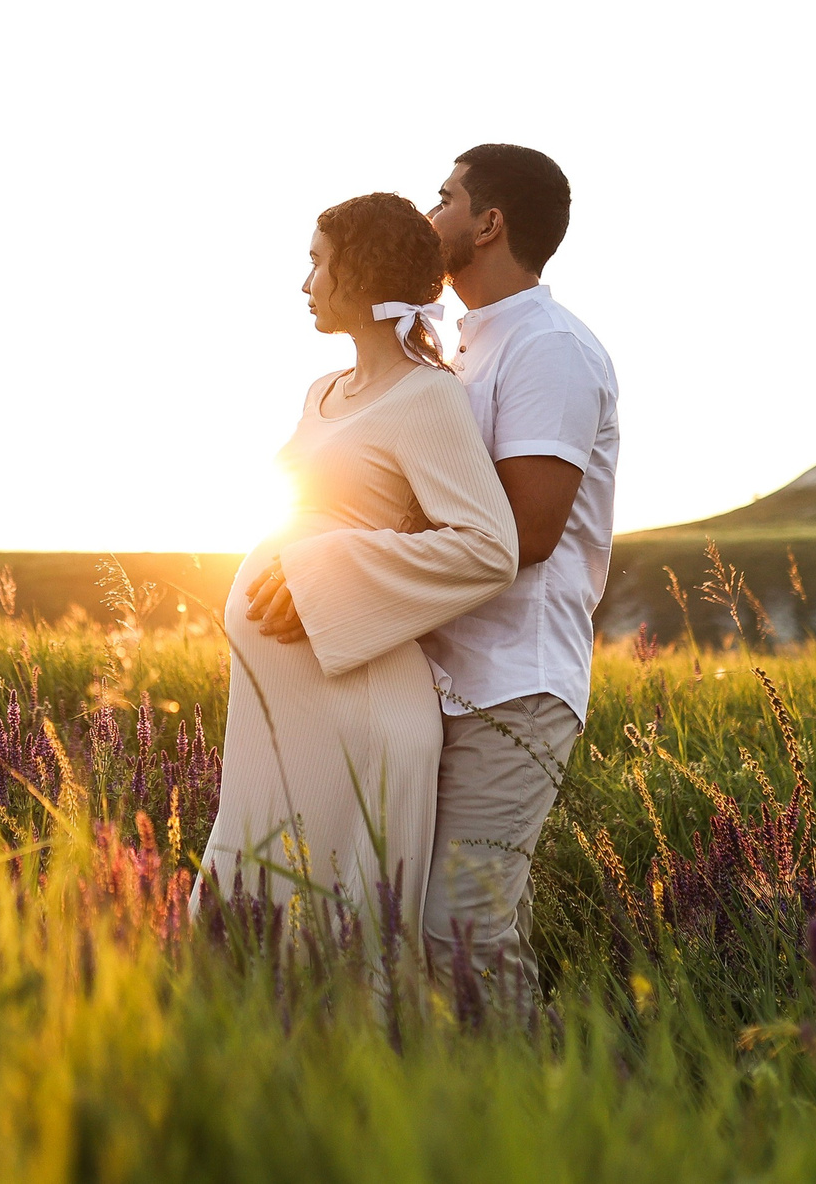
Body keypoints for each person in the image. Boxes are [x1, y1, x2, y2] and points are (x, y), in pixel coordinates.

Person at [198, 193, 520, 935]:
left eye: (316, 262)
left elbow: (488, 545)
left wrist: (328, 567)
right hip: (284, 703)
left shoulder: (429, 396)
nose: (304, 282)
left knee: (329, 925)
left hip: (360, 704)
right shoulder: (322, 394)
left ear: (361, 270)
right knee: (248, 911)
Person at [419, 143, 619, 1010]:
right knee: (472, 926)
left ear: (488, 222)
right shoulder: (469, 352)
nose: (430, 216)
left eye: (444, 197)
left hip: (515, 683)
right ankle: (508, 1116)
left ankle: (529, 1120)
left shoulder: (548, 348)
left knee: (455, 930)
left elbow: (527, 532)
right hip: (447, 678)